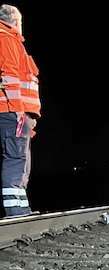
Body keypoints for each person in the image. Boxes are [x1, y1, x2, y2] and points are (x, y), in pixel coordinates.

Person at [0, 4, 40, 218]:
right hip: (13, 112)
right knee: (15, 159)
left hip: (17, 113)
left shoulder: (10, 40)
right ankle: (16, 214)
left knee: (20, 160)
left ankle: (21, 211)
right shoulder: (6, 39)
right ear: (14, 21)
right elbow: (10, 76)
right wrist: (18, 112)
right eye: (21, 22)